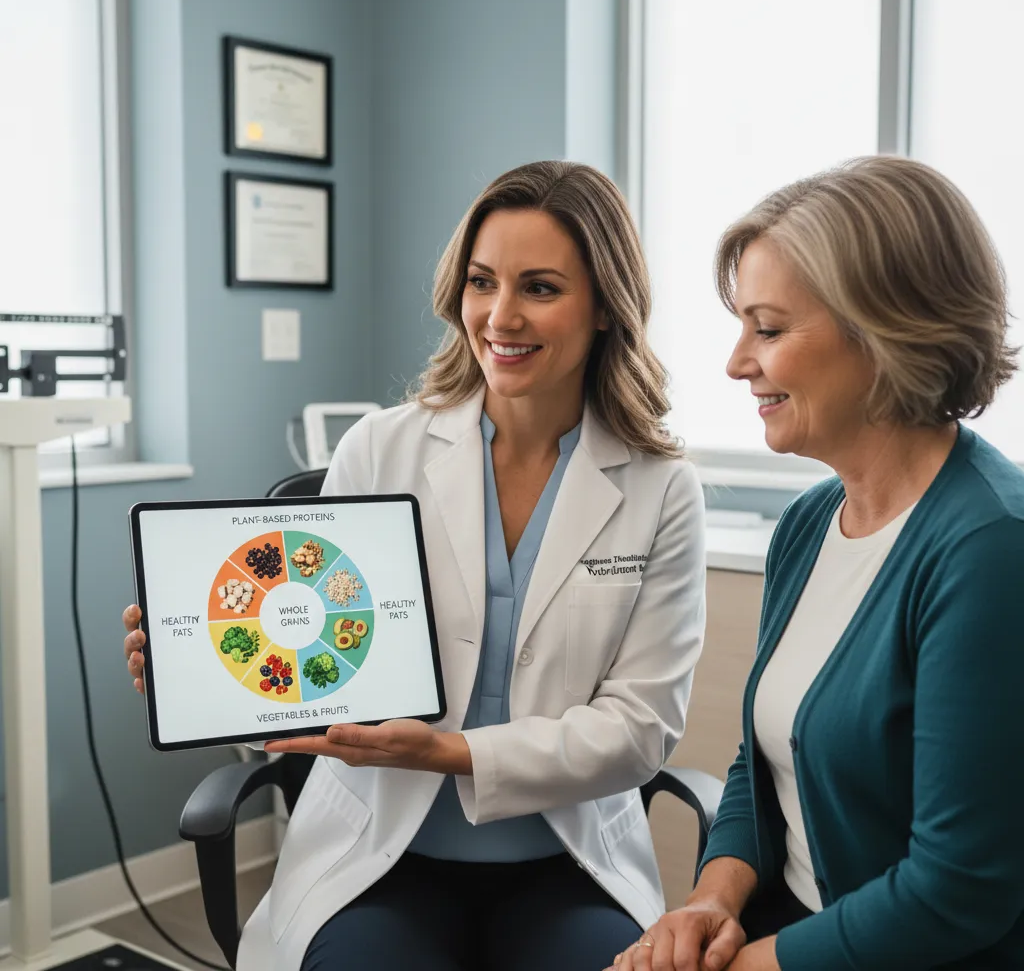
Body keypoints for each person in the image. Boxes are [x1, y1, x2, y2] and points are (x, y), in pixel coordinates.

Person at [123, 161, 707, 970]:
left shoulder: (661, 487)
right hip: (382, 859)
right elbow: (318, 671)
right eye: (481, 281)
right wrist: (206, 677)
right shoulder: (382, 448)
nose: (500, 316)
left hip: (566, 865)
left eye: (539, 287)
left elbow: (640, 731)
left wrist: (452, 754)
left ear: (606, 305)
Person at [610, 155, 1024, 971]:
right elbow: (761, 761)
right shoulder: (808, 523)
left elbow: (958, 890)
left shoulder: (990, 550)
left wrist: (744, 966)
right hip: (784, 928)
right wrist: (709, 902)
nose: (736, 362)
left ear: (884, 330)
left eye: (767, 329)